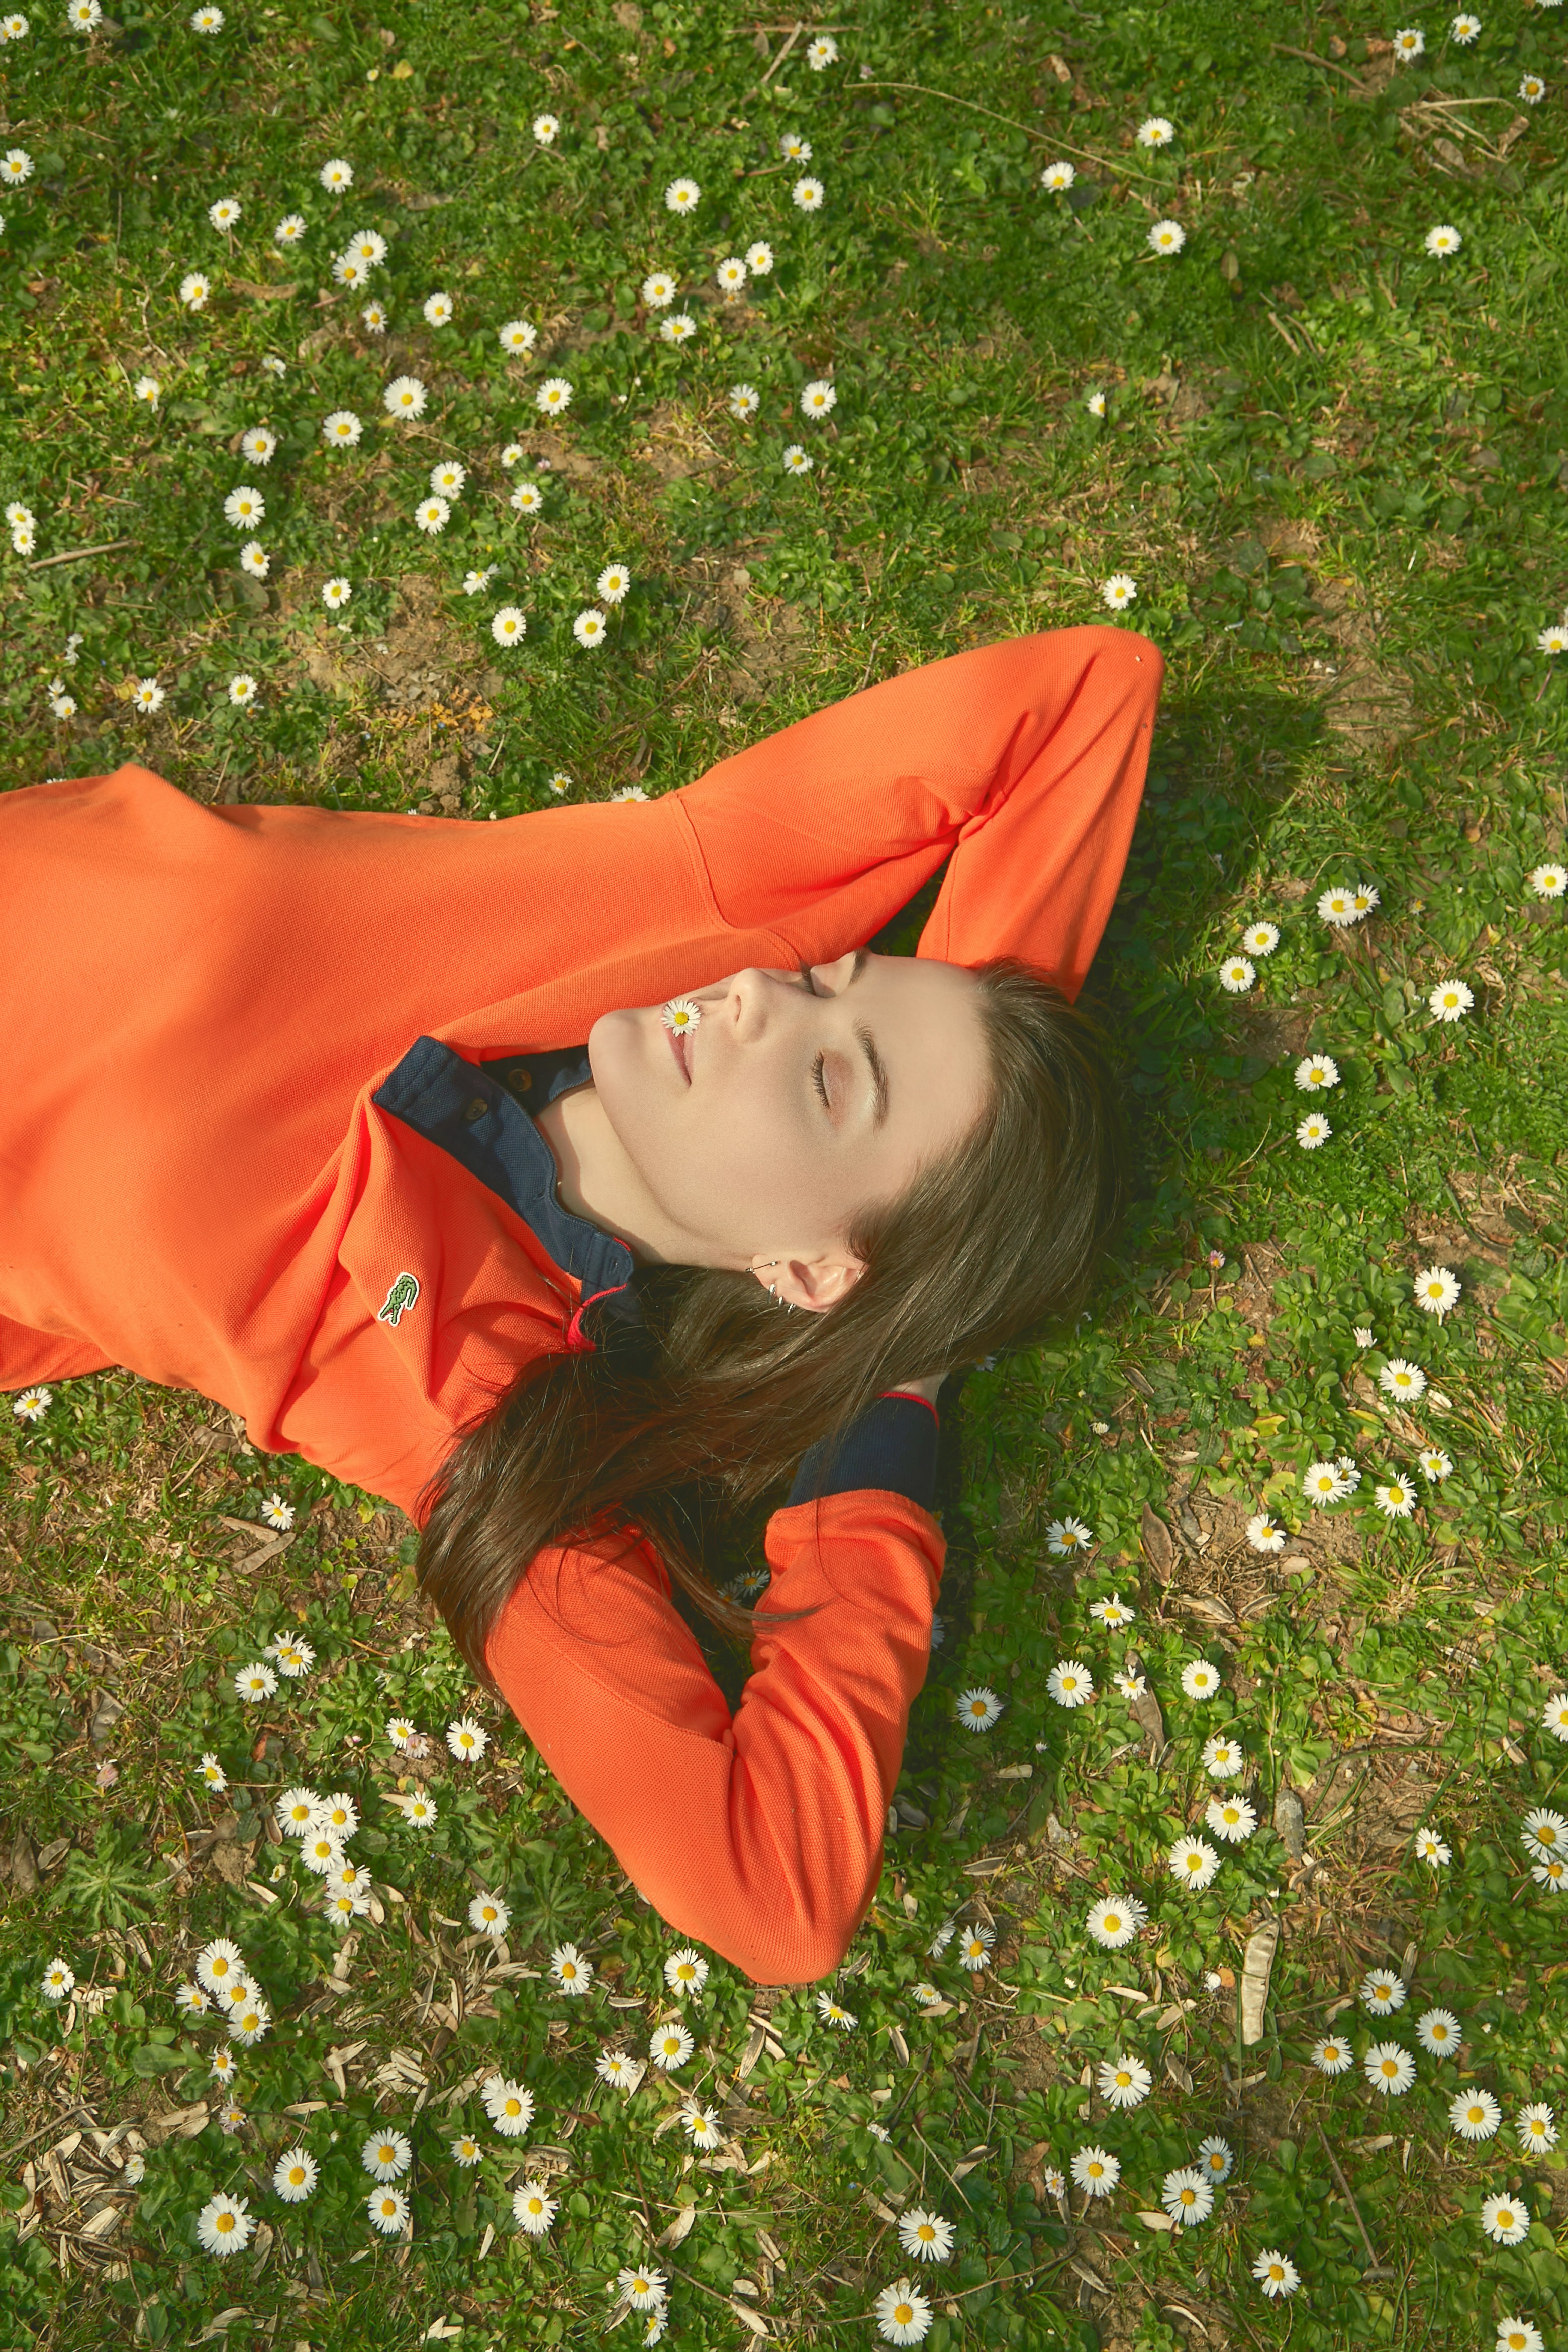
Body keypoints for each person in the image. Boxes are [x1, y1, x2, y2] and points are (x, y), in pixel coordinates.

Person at [0, 623, 1163, 1982]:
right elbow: (1086, 692)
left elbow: (774, 1900)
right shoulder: (680, 908)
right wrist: (951, 1169)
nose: (752, 1004)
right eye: (833, 976)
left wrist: (891, 1378)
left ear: (805, 1271)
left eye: (834, 1081)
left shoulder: (473, 1407)